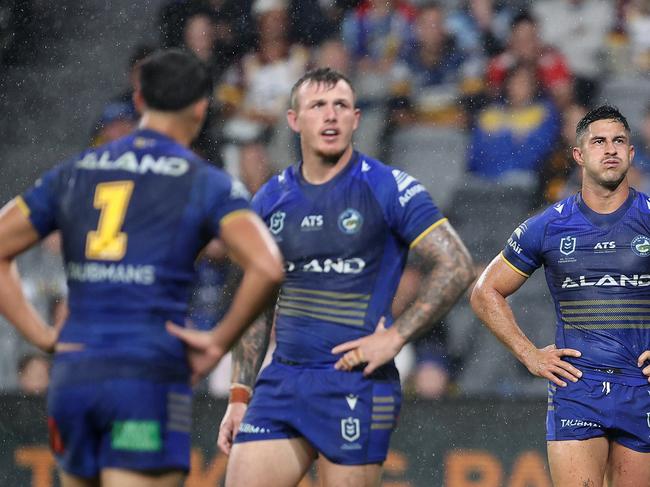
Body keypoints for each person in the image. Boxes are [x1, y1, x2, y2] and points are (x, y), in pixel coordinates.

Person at [171, 67, 475, 486]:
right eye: (318, 105)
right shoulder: (271, 198)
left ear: (355, 119)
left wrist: (396, 335)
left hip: (356, 382)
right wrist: (241, 393)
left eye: (341, 106)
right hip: (282, 381)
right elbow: (256, 301)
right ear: (294, 120)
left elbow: (456, 263)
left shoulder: (388, 187)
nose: (331, 115)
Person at [0, 49, 284, 487]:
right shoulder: (202, 181)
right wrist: (216, 342)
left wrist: (41, 336)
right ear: (201, 107)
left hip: (76, 375)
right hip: (145, 374)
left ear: (138, 100)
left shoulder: (75, 172)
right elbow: (267, 266)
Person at [471, 105, 650, 487]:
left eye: (619, 141)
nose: (611, 149)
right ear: (579, 155)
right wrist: (529, 354)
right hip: (577, 389)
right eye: (599, 141)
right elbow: (485, 291)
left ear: (632, 153)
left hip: (643, 388)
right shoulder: (549, 224)